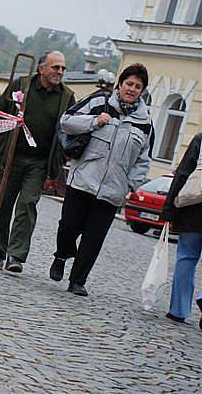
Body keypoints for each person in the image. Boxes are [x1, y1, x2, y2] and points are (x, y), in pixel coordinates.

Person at [49, 64, 152, 296]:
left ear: (142, 91)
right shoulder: (99, 103)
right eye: (129, 84)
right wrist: (94, 121)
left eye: (138, 86)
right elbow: (66, 121)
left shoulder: (145, 124)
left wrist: (130, 184)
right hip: (83, 180)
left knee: (94, 239)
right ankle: (62, 254)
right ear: (120, 84)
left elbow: (144, 160)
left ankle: (78, 280)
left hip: (113, 190)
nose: (132, 89)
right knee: (68, 226)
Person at [0, 51, 75, 272]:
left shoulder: (66, 96)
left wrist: (61, 156)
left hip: (39, 162)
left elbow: (70, 128)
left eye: (63, 68)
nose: (60, 72)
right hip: (12, 156)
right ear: (41, 69)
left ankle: (16, 255)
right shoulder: (21, 85)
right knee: (3, 204)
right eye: (56, 67)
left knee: (27, 205)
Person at [161, 132, 202, 329]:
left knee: (186, 257)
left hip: (194, 210)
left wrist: (169, 207)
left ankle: (178, 309)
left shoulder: (201, 139)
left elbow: (183, 173)